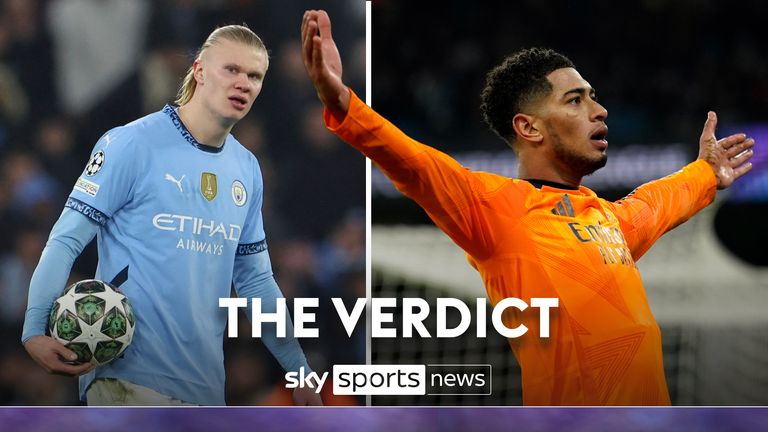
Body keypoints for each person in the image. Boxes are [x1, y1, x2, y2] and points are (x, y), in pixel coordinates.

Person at [301, 10, 754, 405]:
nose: (600, 110)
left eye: (593, 96)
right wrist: (341, 101)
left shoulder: (607, 219)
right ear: (529, 128)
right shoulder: (495, 209)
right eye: (576, 100)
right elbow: (414, 162)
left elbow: (659, 201)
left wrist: (705, 172)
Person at [22, 24, 322, 406]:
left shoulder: (247, 169)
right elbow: (65, 240)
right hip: (127, 381)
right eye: (231, 69)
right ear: (199, 70)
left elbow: (256, 281)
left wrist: (297, 368)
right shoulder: (131, 143)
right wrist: (34, 330)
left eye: (254, 76)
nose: (243, 83)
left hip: (206, 390)